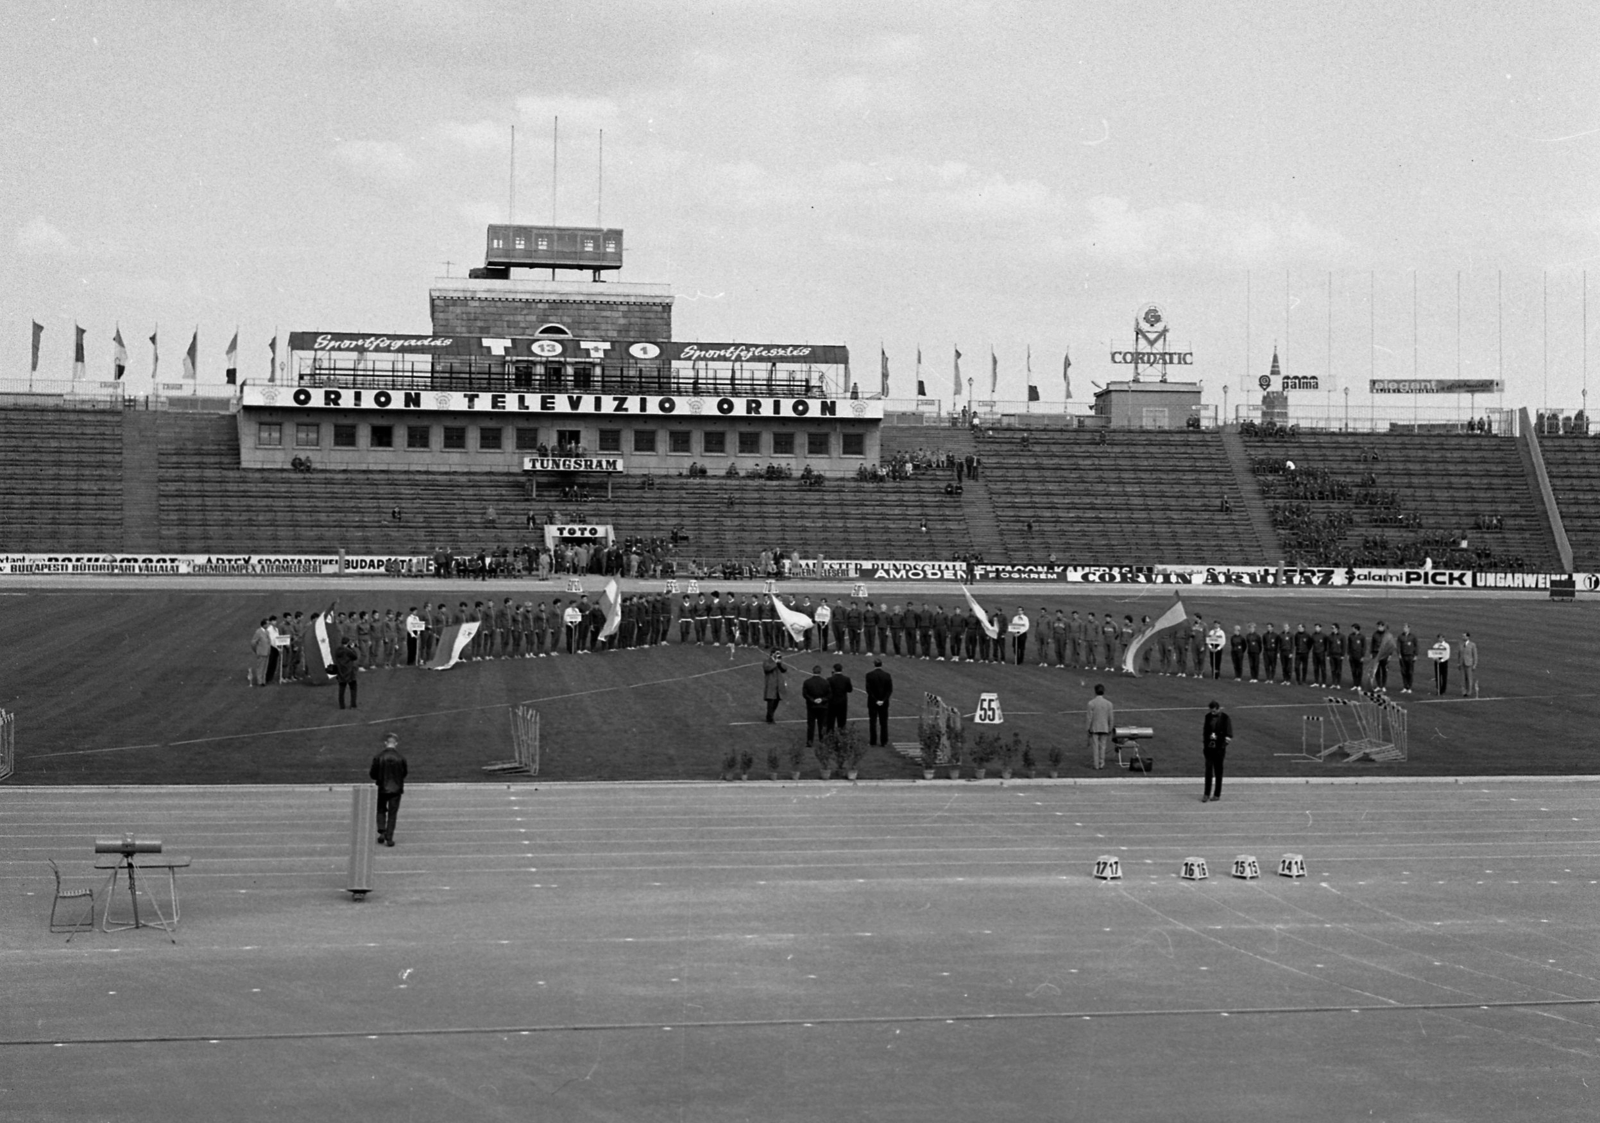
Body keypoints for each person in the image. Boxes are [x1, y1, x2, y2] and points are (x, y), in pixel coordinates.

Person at [369, 732, 407, 846]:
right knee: (392, 813)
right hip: (396, 789)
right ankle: (389, 838)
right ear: (396, 744)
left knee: (381, 810)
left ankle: (382, 830)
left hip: (383, 788)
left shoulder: (378, 757)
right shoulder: (400, 758)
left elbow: (373, 774)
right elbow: (404, 773)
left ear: (385, 743)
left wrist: (380, 779)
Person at [1201, 700, 1232, 803]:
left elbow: (1229, 735)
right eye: (1211, 711)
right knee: (1208, 771)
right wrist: (1206, 743)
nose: (1212, 713)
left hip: (1219, 749)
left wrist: (1222, 745)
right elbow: (1205, 731)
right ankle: (1206, 794)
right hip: (1209, 749)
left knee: (1218, 772)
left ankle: (1217, 794)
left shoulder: (1225, 718)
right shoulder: (1207, 717)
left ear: (1218, 709)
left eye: (1214, 711)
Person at [865, 658, 893, 747]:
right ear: (881, 664)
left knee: (873, 722)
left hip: (872, 702)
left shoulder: (869, 675)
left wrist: (876, 700)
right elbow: (889, 690)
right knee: (884, 722)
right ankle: (883, 741)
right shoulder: (887, 675)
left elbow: (868, 690)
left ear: (874, 665)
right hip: (884, 703)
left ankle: (873, 741)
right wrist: (883, 700)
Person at [1085, 683, 1114, 770]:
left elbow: (1089, 717)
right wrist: (1110, 728)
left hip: (1095, 728)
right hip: (1104, 728)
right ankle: (1101, 763)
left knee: (1095, 747)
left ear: (1095, 692)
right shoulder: (1109, 704)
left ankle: (1096, 765)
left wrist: (1087, 729)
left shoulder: (1091, 703)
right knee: (1103, 746)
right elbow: (1111, 717)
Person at [802, 665, 832, 745]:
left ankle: (810, 741)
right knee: (822, 724)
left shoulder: (807, 682)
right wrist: (822, 700)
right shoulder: (825, 682)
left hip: (811, 706)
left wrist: (812, 700)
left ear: (813, 671)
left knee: (811, 724)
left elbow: (805, 694)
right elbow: (829, 695)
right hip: (823, 706)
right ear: (820, 671)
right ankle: (822, 740)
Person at [762, 648, 788, 723]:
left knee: (776, 701)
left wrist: (779, 663)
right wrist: (775, 663)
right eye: (777, 653)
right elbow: (767, 668)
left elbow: (784, 669)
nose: (778, 655)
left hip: (778, 685)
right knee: (771, 702)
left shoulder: (779, 662)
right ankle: (770, 718)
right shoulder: (767, 661)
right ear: (772, 653)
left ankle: (770, 715)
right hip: (771, 685)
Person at [335, 635, 361, 710]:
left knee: (341, 689)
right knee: (353, 688)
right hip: (349, 672)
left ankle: (342, 705)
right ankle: (353, 704)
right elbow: (355, 656)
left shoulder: (337, 650)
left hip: (341, 671)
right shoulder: (348, 651)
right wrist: (352, 648)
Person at [828, 662, 854, 731]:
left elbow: (827, 690)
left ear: (834, 670)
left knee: (830, 721)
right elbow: (850, 690)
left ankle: (830, 737)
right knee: (842, 722)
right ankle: (841, 737)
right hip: (842, 702)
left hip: (832, 702)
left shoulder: (830, 679)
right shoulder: (846, 679)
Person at [250, 619, 273, 687]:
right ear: (264, 625)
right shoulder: (258, 632)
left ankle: (263, 681)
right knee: (260, 668)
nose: (269, 625)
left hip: (267, 652)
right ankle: (259, 681)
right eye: (268, 624)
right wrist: (257, 651)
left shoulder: (266, 632)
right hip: (261, 653)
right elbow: (253, 643)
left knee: (265, 668)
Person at [1458, 631, 1479, 697]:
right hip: (1462, 663)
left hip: (1469, 664)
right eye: (1462, 636)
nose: (1463, 637)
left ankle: (1469, 692)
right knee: (1462, 679)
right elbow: (1459, 655)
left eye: (1464, 636)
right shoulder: (1461, 644)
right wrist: (1458, 663)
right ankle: (1464, 692)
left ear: (1468, 637)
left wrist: (1474, 664)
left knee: (1469, 678)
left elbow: (1475, 655)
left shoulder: (1472, 645)